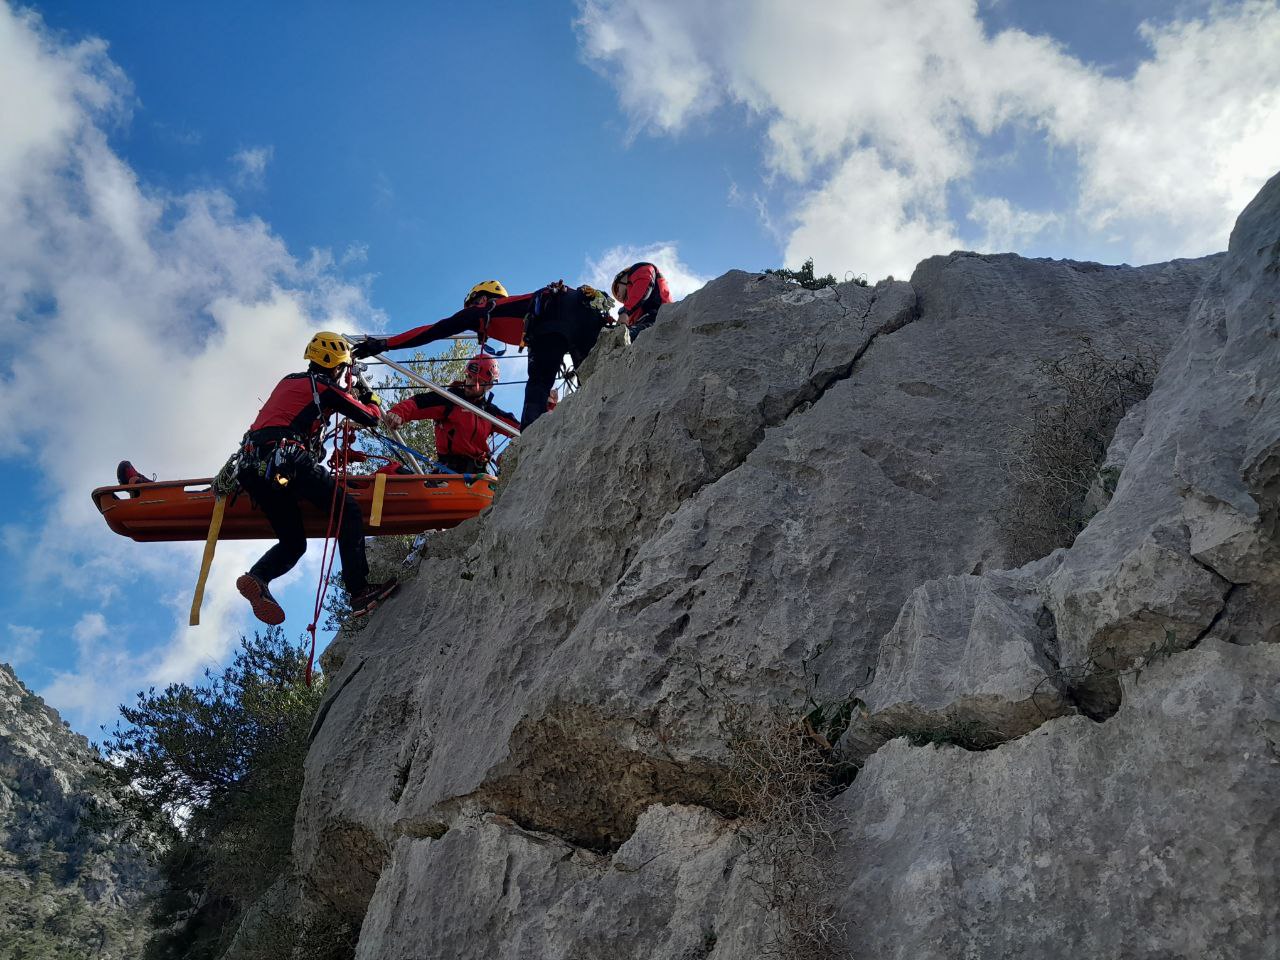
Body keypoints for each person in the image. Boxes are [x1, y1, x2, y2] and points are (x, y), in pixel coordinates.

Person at [235, 332, 397, 625]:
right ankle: (359, 591)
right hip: (288, 459)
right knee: (347, 509)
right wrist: (366, 393)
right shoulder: (323, 388)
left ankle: (258, 577)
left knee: (294, 542)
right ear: (336, 366)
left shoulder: (289, 381)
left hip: (253, 468)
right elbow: (371, 417)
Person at [353, 279, 608, 428]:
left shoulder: (484, 310)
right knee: (596, 383)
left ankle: (532, 449)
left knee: (537, 389)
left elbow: (434, 330)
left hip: (555, 325)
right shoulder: (523, 310)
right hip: (588, 317)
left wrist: (386, 344)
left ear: (480, 299)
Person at [380, 353, 520, 475]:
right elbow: (418, 403)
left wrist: (509, 451)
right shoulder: (451, 399)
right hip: (449, 471)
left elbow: (520, 428)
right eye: (469, 377)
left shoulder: (490, 412)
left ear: (488, 386)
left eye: (478, 381)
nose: (470, 383)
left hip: (478, 476)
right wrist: (397, 413)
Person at [611, 261, 671, 340]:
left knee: (624, 337)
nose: (618, 296)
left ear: (623, 277)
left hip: (657, 318)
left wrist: (626, 311)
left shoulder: (639, 269)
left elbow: (644, 285)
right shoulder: (636, 306)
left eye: (617, 289)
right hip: (648, 321)